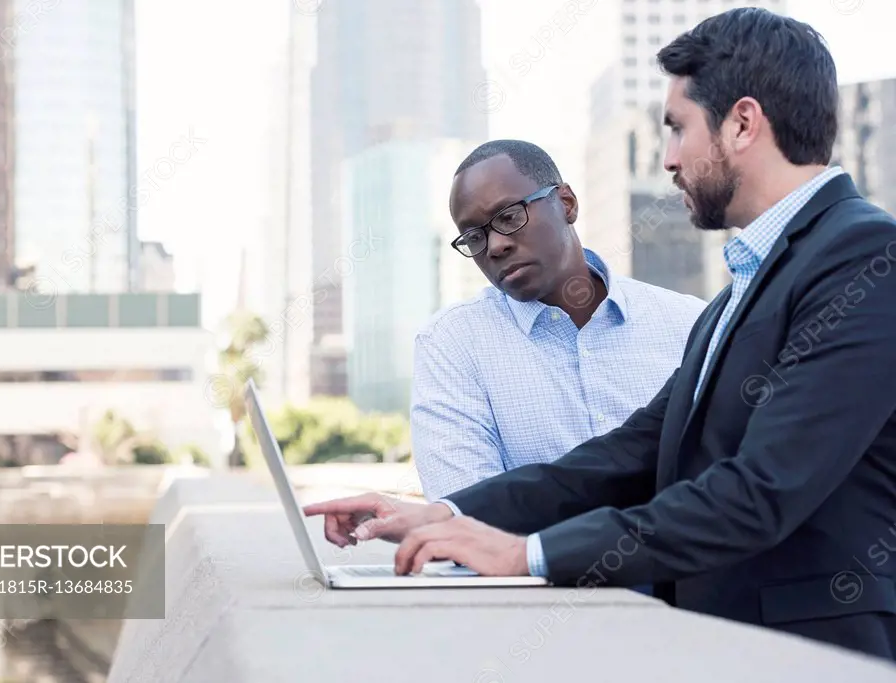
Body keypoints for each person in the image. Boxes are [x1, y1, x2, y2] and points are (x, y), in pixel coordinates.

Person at [305, 7, 896, 660]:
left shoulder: (863, 257)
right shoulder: (743, 287)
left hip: (818, 654)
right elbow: (625, 458)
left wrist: (528, 553)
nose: (669, 160)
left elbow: (759, 492)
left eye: (678, 129)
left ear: (743, 123)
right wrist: (442, 514)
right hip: (727, 646)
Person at [412, 140, 707, 502]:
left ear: (566, 203)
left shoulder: (689, 324)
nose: (494, 247)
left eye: (508, 216)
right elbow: (465, 515)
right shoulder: (452, 345)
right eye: (474, 237)